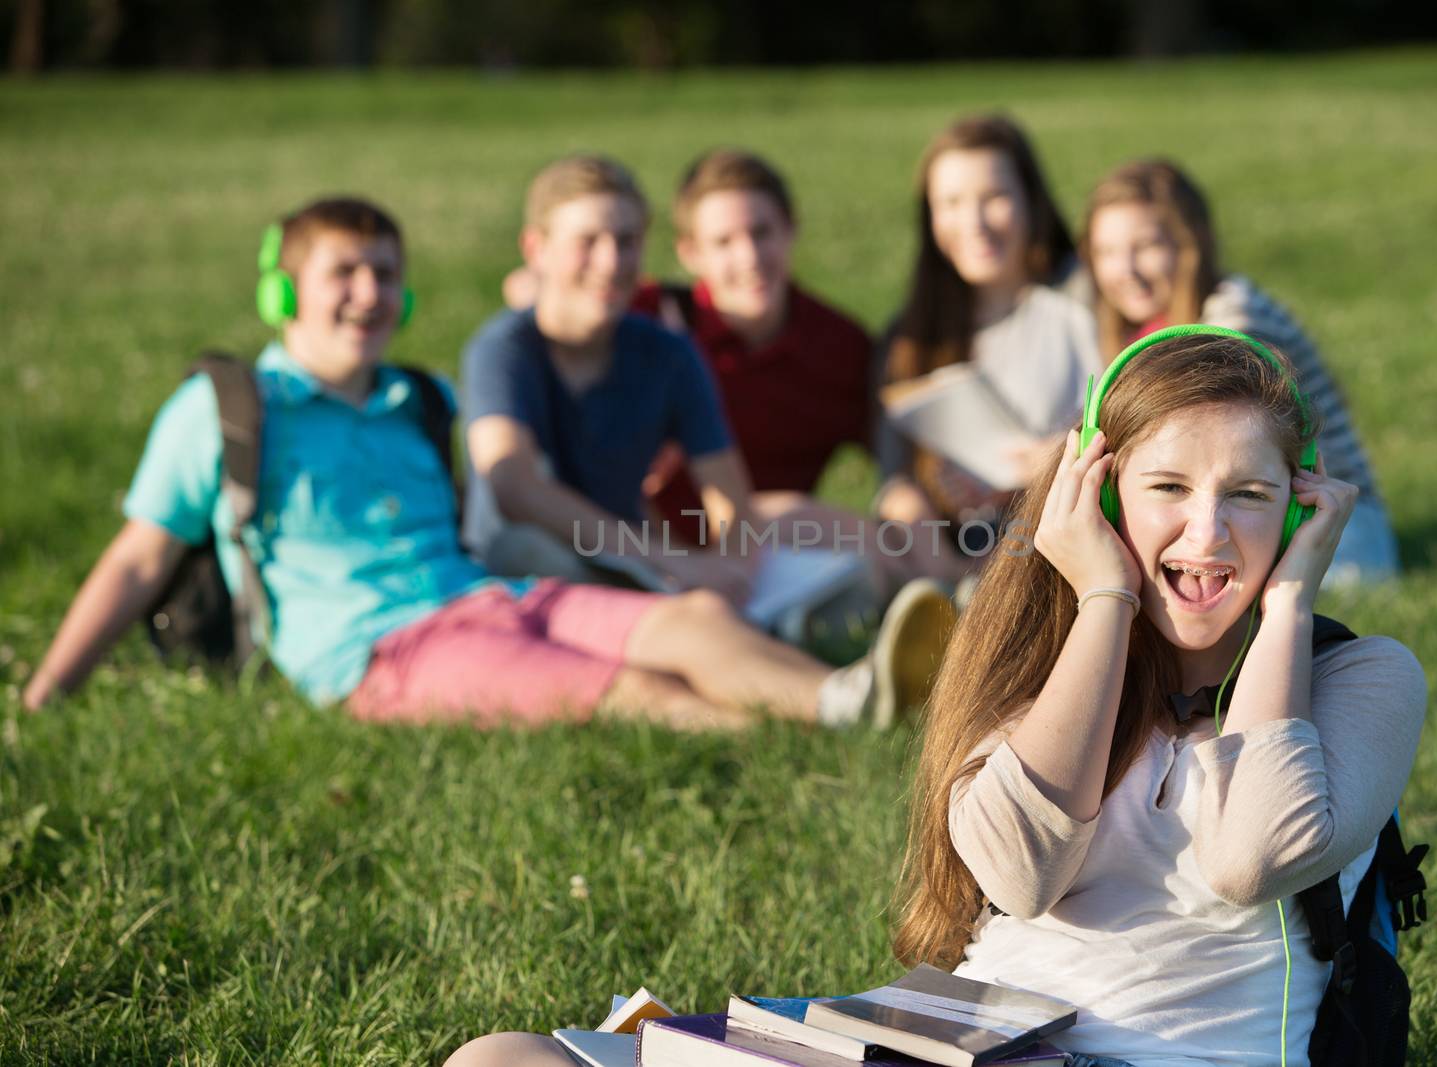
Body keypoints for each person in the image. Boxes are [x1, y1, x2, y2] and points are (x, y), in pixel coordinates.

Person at [22, 197, 952, 732]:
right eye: (344, 271)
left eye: (385, 271)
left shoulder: (418, 398)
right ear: (284, 289)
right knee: (634, 691)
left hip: (484, 594)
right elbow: (139, 558)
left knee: (686, 622)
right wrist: (46, 692)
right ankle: (757, 739)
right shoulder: (228, 411)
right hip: (371, 653)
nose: (369, 291)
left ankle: (846, 699)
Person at [893, 330, 1426, 1065]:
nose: (1207, 532)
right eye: (1168, 487)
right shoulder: (1037, 663)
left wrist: (1289, 603)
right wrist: (1105, 599)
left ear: (1299, 513)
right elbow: (1020, 874)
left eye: (1249, 494)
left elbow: (1254, 857)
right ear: (1102, 496)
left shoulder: (1363, 677)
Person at [1082, 158, 1400, 585]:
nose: (1127, 270)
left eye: (1147, 247)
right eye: (1107, 252)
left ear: (1192, 244)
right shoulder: (1140, 329)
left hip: (1333, 532)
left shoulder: (1236, 319)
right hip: (1234, 520)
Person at [464, 155, 759, 603]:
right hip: (529, 568)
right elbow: (515, 488)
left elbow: (731, 503)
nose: (611, 262)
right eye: (588, 241)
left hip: (634, 562)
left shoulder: (669, 353)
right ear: (536, 249)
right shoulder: (503, 350)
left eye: (627, 241)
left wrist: (735, 567)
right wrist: (667, 560)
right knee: (526, 552)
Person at [876, 114, 1100, 583]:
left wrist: (1063, 456)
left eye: (995, 198)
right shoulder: (911, 336)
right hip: (949, 555)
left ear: (1031, 201)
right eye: (951, 203)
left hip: (1064, 547)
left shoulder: (1087, 300)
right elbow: (893, 484)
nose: (973, 223)